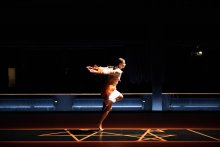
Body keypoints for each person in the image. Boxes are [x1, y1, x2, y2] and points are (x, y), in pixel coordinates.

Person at [86, 57, 126, 131]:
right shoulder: (118, 71)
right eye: (124, 63)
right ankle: (99, 123)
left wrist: (95, 68)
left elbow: (105, 68)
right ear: (120, 64)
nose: (125, 64)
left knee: (120, 96)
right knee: (109, 108)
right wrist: (95, 71)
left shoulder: (113, 68)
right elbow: (107, 71)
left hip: (112, 89)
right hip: (109, 90)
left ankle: (106, 104)